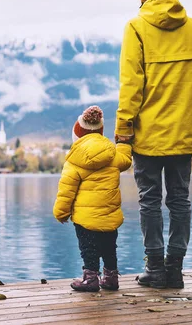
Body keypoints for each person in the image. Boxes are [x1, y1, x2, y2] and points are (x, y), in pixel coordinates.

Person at [115, 0, 192, 289]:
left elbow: (132, 83)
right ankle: (175, 270)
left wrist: (123, 127)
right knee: (180, 201)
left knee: (149, 200)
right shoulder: (191, 27)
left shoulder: (136, 27)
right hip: (184, 133)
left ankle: (155, 269)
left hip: (147, 134)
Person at [53, 105, 132, 292]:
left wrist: (61, 213)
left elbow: (66, 190)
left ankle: (91, 278)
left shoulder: (74, 160)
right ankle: (111, 278)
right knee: (109, 247)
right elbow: (126, 160)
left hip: (85, 220)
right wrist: (123, 143)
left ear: (77, 134)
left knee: (88, 248)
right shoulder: (112, 155)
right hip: (109, 216)